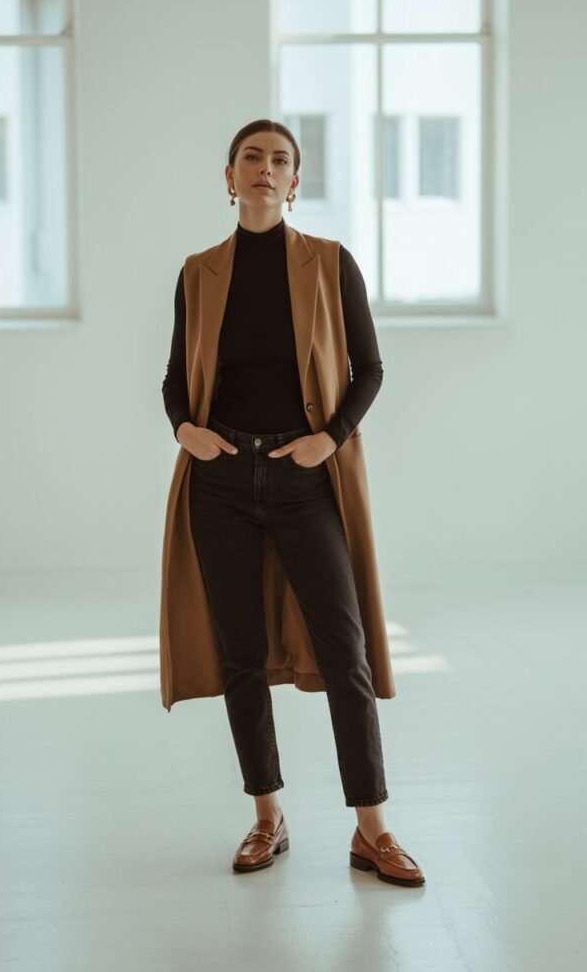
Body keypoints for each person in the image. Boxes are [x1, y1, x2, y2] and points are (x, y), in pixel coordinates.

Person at [161, 119, 425, 887]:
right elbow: (176, 375)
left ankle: (371, 829)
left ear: (296, 181)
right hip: (220, 484)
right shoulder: (199, 271)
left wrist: (331, 437)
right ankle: (267, 817)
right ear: (230, 175)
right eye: (253, 158)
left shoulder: (330, 264)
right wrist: (186, 429)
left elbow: (369, 366)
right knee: (241, 654)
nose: (265, 170)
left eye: (281, 160)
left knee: (345, 654)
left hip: (306, 476)